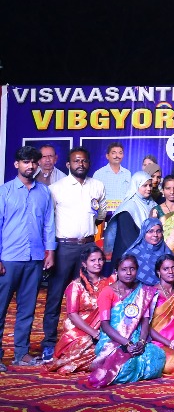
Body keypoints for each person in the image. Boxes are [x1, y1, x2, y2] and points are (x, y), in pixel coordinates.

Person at [43, 147, 104, 363]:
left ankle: (86, 340)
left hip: (88, 247)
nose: (81, 164)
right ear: (69, 164)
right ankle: (49, 343)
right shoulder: (56, 188)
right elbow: (48, 221)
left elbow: (100, 215)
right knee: (55, 296)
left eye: (84, 161)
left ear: (89, 164)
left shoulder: (97, 186)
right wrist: (50, 249)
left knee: (89, 296)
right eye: (76, 161)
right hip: (64, 247)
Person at [0, 145, 55, 370]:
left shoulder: (44, 192)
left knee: (27, 309)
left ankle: (21, 353)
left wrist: (50, 251)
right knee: (0, 308)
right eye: (26, 162)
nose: (30, 166)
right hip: (9, 258)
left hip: (35, 258)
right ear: (17, 164)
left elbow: (49, 224)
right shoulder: (4, 191)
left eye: (33, 162)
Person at [85, 253, 165, 387]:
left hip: (136, 338)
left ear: (137, 270)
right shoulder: (107, 292)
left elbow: (145, 321)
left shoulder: (142, 291)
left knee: (157, 356)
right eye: (124, 269)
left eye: (132, 269)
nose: (128, 273)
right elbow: (105, 325)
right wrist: (127, 344)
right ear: (116, 271)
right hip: (113, 340)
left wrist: (141, 342)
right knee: (126, 367)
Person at [48, 246, 108, 376]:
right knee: (99, 352)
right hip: (79, 331)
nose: (97, 263)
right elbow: (72, 315)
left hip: (103, 328)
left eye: (100, 259)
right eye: (93, 260)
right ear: (84, 263)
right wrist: (94, 333)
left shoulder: (108, 283)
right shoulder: (75, 286)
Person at [103, 172, 153, 271]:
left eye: (150, 185)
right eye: (144, 185)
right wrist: (142, 255)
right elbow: (128, 237)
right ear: (136, 186)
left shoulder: (152, 203)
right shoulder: (128, 207)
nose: (149, 188)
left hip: (146, 255)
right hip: (128, 255)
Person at [123, 217, 170, 288]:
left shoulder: (167, 252)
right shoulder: (133, 254)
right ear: (143, 233)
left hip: (166, 292)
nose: (155, 235)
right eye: (150, 231)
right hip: (139, 292)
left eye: (158, 231)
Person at [151, 175, 174, 263]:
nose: (172, 192)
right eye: (168, 188)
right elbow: (151, 235)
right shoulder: (156, 211)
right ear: (163, 190)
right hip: (159, 255)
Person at [92, 142, 133, 211]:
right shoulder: (99, 174)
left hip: (123, 212)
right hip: (105, 213)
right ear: (107, 156)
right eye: (114, 153)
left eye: (120, 153)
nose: (117, 156)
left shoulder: (127, 173)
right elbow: (94, 197)